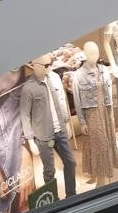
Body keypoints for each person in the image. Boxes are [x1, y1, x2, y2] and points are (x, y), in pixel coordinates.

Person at [19, 54, 78, 199]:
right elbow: (25, 115)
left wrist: (66, 123)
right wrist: (31, 141)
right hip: (44, 136)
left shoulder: (54, 78)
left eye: (50, 64)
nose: (49, 68)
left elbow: (62, 101)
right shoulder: (28, 88)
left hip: (60, 131)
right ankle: (54, 201)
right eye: (46, 65)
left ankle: (71, 195)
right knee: (49, 171)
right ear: (36, 66)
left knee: (71, 162)